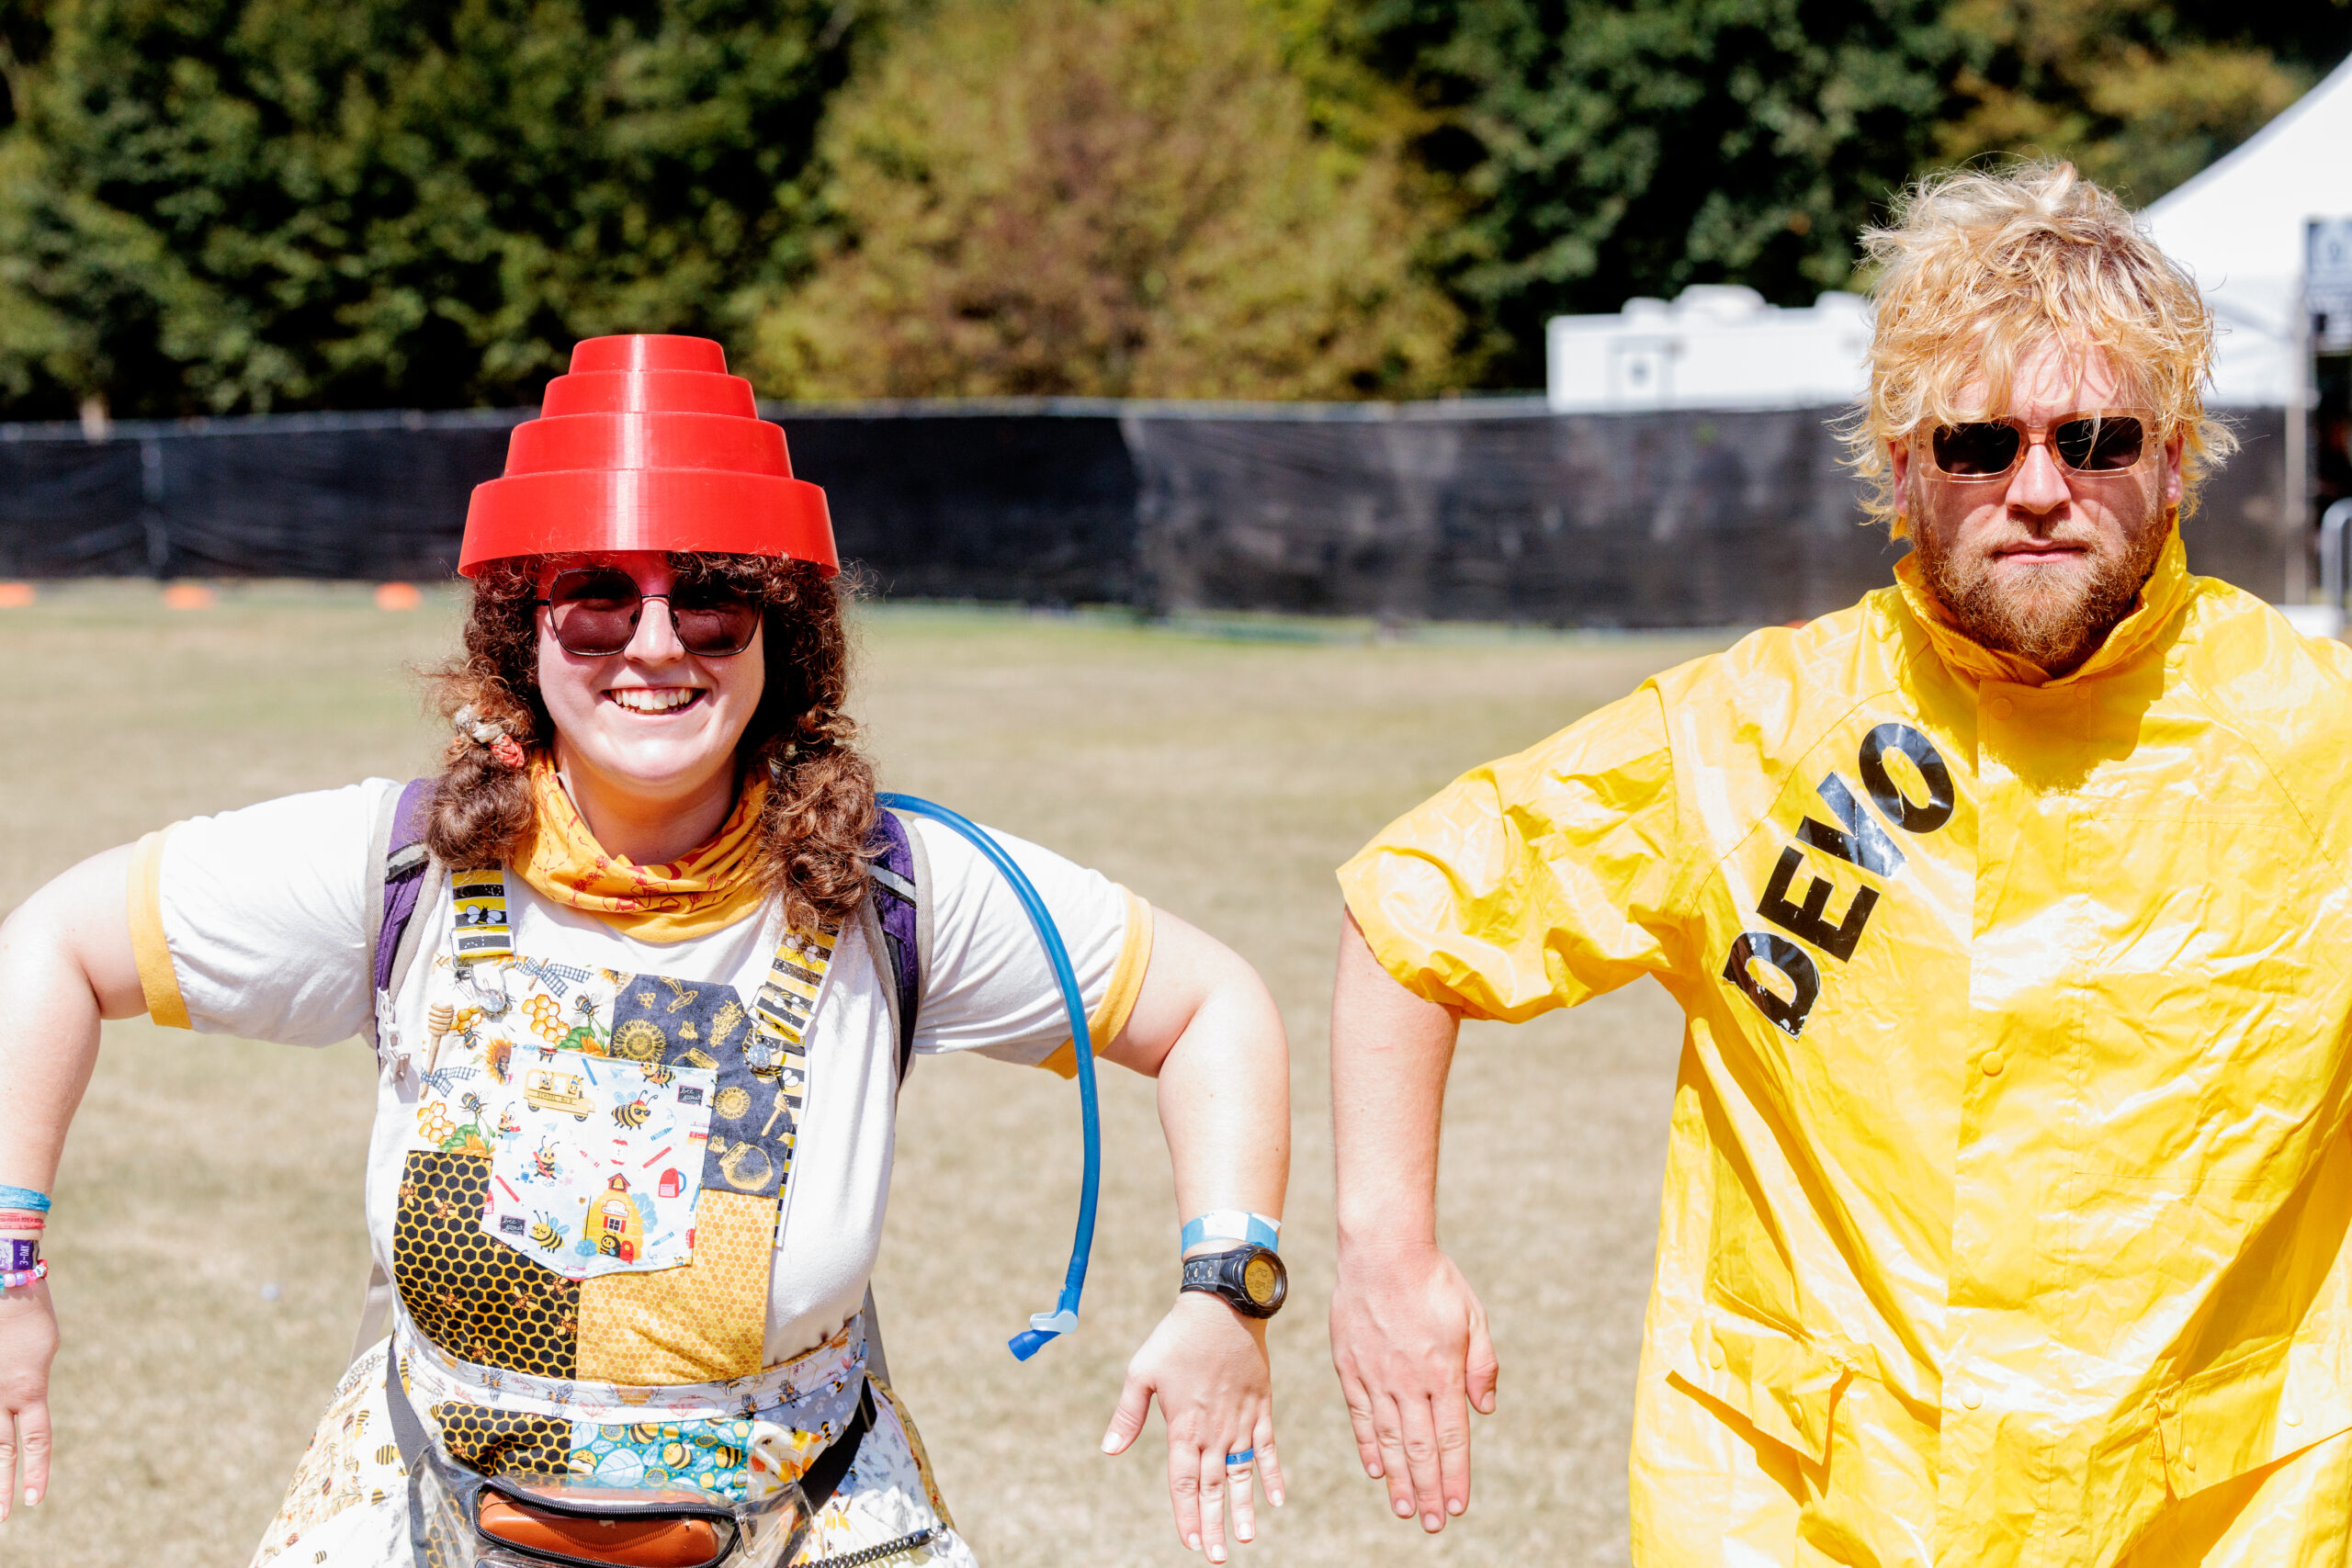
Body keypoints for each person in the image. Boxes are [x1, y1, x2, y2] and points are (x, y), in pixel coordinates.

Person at [0, 334, 1294, 1567]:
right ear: (524, 632)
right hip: (422, 1506)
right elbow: (54, 944)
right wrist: (11, 1268)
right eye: (596, 598)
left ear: (783, 632)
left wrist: (1225, 1292)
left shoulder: (895, 885)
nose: (659, 644)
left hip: (810, 1508)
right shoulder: (401, 866)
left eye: (715, 598)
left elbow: (1209, 1007)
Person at [1326, 160, 2352, 1564]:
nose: (2040, 487)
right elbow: (1410, 917)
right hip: (1804, 1517)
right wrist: (1389, 1259)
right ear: (1899, 469)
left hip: (2222, 1520)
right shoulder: (1749, 738)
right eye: (1980, 445)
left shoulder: (2318, 736)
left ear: (2176, 456)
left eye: (2096, 436)